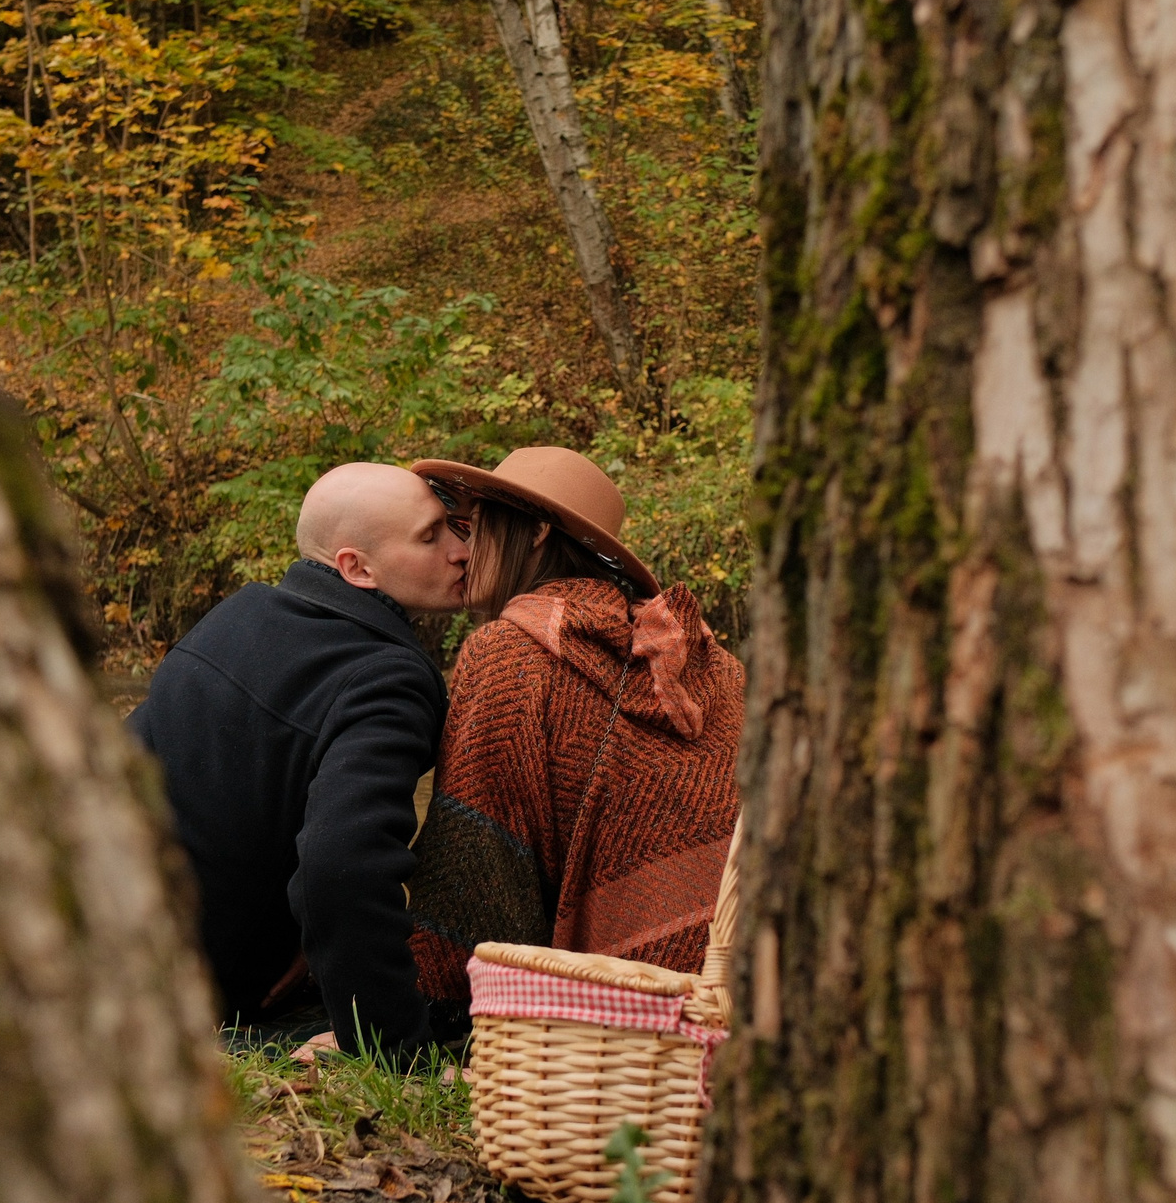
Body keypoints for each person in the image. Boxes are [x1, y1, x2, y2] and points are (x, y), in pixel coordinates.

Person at [129, 462, 469, 1059]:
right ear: (356, 568)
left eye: (454, 529)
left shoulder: (232, 619)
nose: (460, 551)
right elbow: (342, 866)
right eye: (431, 536)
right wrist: (397, 1049)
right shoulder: (387, 678)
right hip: (220, 1001)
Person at [403, 447, 743, 1017]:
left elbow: (477, 863)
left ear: (535, 531)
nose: (461, 549)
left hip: (612, 1023)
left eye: (474, 525)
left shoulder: (510, 655)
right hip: (740, 990)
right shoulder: (704, 659)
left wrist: (414, 1012)